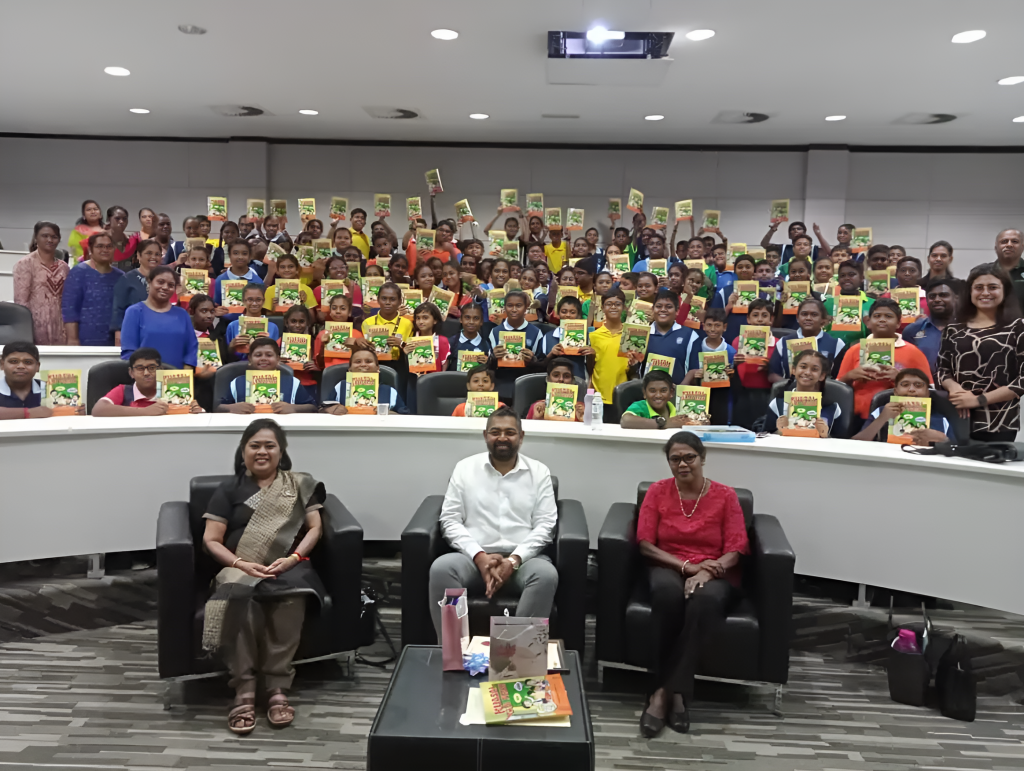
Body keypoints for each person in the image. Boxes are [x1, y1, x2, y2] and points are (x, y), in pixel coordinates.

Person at [200, 419, 324, 733]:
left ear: (281, 452)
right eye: (254, 445)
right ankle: (244, 688)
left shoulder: (298, 484)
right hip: (239, 566)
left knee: (291, 598)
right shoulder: (229, 489)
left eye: (270, 445)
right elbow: (211, 539)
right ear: (243, 451)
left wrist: (293, 558)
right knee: (238, 597)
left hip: (287, 566)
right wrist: (240, 564)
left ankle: (277, 687)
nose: (262, 451)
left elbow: (315, 529)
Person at [638, 432, 749, 737]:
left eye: (689, 457)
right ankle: (676, 696)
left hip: (714, 570)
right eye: (675, 459)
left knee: (704, 600)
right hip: (668, 564)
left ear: (702, 458)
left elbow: (736, 548)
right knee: (667, 595)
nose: (682, 464)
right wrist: (687, 567)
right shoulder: (658, 491)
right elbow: (646, 544)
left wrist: (706, 573)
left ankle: (664, 693)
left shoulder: (725, 496)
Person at [427, 407, 558, 641]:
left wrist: (513, 560)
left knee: (545, 574)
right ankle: (453, 651)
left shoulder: (539, 472)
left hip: (523, 562)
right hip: (472, 559)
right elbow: (450, 520)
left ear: (521, 436)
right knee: (442, 568)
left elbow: (546, 525)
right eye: (495, 432)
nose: (502, 438)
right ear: (485, 435)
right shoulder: (465, 469)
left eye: (510, 432)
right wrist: (479, 556)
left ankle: (518, 654)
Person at [937, 263, 1024, 442]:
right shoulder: (953, 329)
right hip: (956, 416)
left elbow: (1022, 380)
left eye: (992, 287)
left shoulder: (1018, 328)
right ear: (970, 292)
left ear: (1005, 291)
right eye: (978, 287)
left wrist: (978, 400)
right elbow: (942, 369)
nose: (985, 293)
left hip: (999, 421)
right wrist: (956, 390)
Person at [837, 299, 933, 419]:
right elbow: (838, 388)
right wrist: (850, 376)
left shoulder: (914, 352)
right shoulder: (854, 350)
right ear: (868, 322)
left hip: (900, 417)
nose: (882, 320)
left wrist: (900, 379)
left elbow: (929, 389)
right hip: (857, 416)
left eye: (888, 316)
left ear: (898, 323)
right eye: (877, 316)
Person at [119, 265, 198, 369]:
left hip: (176, 377)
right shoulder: (134, 312)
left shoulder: (182, 314)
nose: (165, 287)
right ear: (149, 282)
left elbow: (191, 349)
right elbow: (129, 352)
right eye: (160, 282)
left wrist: (186, 373)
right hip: (145, 376)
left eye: (171, 285)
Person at [853, 368, 955, 444]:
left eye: (918, 385)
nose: (911, 389)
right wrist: (882, 418)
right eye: (905, 385)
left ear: (928, 393)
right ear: (896, 391)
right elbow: (855, 444)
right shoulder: (881, 412)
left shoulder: (941, 419)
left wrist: (943, 440)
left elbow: (956, 452)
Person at [218, 338, 317, 413]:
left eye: (269, 355)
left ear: (278, 359)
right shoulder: (237, 382)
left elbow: (312, 407)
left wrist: (293, 408)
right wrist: (232, 407)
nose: (263, 358)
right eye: (258, 355)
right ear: (250, 359)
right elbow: (218, 407)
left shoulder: (292, 382)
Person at [94, 348, 201, 416]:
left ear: (160, 370)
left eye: (152, 368)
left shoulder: (174, 390)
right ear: (131, 373)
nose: (146, 373)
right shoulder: (124, 390)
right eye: (140, 368)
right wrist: (145, 411)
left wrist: (196, 411)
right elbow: (98, 409)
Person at [62, 232, 124, 346]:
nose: (105, 250)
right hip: (85, 339)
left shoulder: (120, 276)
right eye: (100, 246)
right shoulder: (78, 273)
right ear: (90, 250)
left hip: (114, 341)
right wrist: (72, 340)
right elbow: (70, 309)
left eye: (109, 246)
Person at [14, 222, 70, 346]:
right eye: (45, 236)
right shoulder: (25, 264)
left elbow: (67, 298)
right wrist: (26, 330)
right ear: (36, 238)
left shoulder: (64, 267)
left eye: (54, 237)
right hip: (35, 326)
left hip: (61, 325)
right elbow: (21, 302)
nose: (50, 240)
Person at [0, 342, 83, 419]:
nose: (21, 366)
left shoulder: (49, 388)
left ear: (37, 367)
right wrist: (28, 413)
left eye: (28, 362)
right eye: (14, 361)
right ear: (2, 364)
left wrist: (77, 411)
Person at [765, 350, 838, 437]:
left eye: (814, 369)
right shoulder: (778, 403)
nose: (807, 372)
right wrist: (780, 431)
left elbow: (843, 441)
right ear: (793, 370)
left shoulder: (832, 408)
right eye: (803, 367)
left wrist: (825, 435)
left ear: (822, 376)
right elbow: (764, 436)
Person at [769, 298, 845, 381]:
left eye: (814, 315)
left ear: (823, 320)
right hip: (791, 388)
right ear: (797, 318)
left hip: (824, 389)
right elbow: (773, 375)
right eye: (804, 314)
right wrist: (794, 386)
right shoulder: (783, 342)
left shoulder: (836, 344)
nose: (808, 318)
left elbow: (839, 377)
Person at [730, 298, 777, 429]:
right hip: (743, 396)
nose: (760, 320)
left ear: (771, 320)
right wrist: (734, 364)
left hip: (767, 396)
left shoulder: (779, 344)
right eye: (755, 315)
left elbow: (782, 376)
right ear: (748, 319)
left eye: (764, 315)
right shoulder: (738, 341)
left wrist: (770, 367)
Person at [487, 291, 542, 403]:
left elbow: (541, 366)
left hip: (526, 383)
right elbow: (487, 366)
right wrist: (493, 357)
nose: (514, 309)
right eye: (510, 305)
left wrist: (532, 360)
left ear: (526, 307)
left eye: (519, 305)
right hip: (500, 383)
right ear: (504, 307)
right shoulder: (494, 332)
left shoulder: (536, 333)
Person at [321, 348, 409, 414]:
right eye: (358, 361)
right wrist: (330, 409)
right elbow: (321, 409)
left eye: (368, 361)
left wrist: (388, 413)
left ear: (377, 368)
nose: (363, 365)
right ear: (350, 369)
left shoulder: (389, 391)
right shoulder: (341, 386)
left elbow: (405, 417)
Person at [110, 238, 165, 342]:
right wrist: (118, 336)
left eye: (157, 254)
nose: (153, 257)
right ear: (138, 256)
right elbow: (118, 310)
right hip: (133, 333)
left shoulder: (165, 280)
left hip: (160, 333)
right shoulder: (127, 279)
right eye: (149, 253)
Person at [591, 289, 641, 403]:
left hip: (624, 394)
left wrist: (634, 364)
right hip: (599, 396)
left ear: (624, 307)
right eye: (609, 304)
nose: (613, 307)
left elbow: (635, 368)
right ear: (602, 308)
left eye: (617, 304)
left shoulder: (631, 335)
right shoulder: (593, 336)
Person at [903, 277, 958, 374]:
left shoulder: (967, 328)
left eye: (943, 295)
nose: (937, 300)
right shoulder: (912, 330)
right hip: (925, 382)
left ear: (955, 298)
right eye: (932, 296)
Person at [643, 290, 700, 385]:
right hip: (648, 391)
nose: (663, 310)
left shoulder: (690, 335)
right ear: (653, 309)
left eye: (669, 307)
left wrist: (679, 388)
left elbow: (695, 369)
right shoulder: (643, 333)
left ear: (677, 311)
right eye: (658, 306)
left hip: (678, 391)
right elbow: (634, 369)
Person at [537, 296, 594, 383]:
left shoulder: (587, 337)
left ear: (579, 315)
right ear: (558, 314)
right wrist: (551, 354)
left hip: (579, 381)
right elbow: (540, 365)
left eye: (572, 312)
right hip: (554, 384)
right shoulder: (548, 337)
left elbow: (591, 368)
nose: (568, 315)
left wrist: (591, 355)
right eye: (564, 311)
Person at [823, 261, 873, 345]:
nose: (846, 278)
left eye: (851, 275)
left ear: (862, 278)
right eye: (842, 275)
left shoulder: (872, 304)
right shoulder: (827, 304)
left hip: (860, 349)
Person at [214, 240, 265, 319]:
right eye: (236, 253)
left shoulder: (257, 281)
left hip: (250, 322)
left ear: (250, 256)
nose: (240, 257)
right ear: (229, 256)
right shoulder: (220, 280)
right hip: (225, 323)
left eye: (244, 253)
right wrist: (216, 310)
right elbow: (215, 305)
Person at [621, 370, 688, 429]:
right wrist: (663, 424)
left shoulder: (678, 408)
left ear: (671, 393)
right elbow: (626, 421)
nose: (658, 395)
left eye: (663, 391)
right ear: (644, 393)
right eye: (652, 391)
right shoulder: (640, 406)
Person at [314, 293, 363, 369]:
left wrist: (355, 347)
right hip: (330, 372)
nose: (338, 311)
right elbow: (319, 365)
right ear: (330, 311)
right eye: (334, 308)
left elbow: (362, 361)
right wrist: (323, 345)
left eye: (343, 308)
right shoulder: (322, 334)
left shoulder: (357, 334)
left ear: (349, 312)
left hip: (353, 372)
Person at [446, 303, 491, 370]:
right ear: (461, 319)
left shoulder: (486, 346)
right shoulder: (450, 343)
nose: (471, 322)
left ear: (481, 321)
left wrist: (488, 363)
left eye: (476, 318)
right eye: (467, 317)